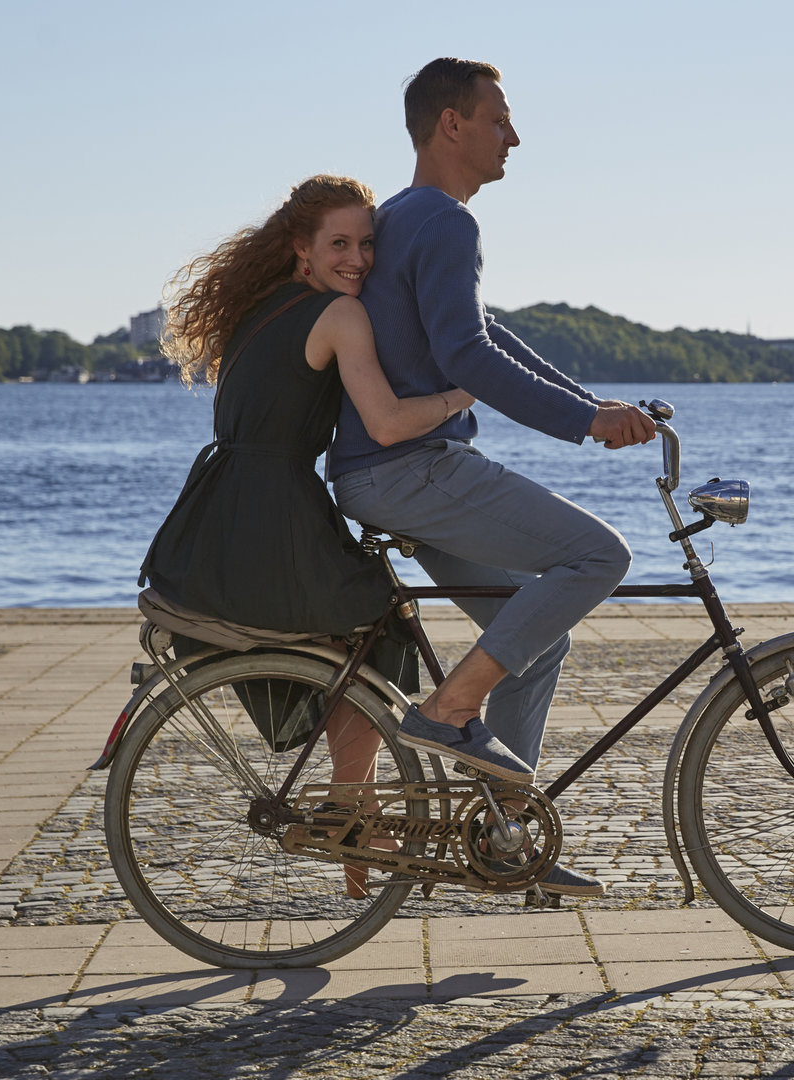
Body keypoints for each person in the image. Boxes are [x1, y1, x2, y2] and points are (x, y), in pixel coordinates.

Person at [327, 58, 656, 899]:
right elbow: (468, 357)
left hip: (390, 473)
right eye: (500, 118)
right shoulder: (444, 223)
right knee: (597, 556)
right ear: (451, 125)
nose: (515, 135)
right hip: (411, 470)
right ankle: (444, 714)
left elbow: (492, 338)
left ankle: (509, 840)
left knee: (537, 645)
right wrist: (584, 424)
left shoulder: (407, 217)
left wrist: (594, 401)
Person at [141, 174, 476, 897]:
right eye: (339, 244)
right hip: (272, 511)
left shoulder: (259, 311)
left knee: (358, 638)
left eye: (365, 245)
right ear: (302, 249)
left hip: (220, 511)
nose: (357, 259)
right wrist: (458, 396)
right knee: (376, 629)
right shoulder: (339, 317)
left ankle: (351, 807)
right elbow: (385, 422)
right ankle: (350, 808)